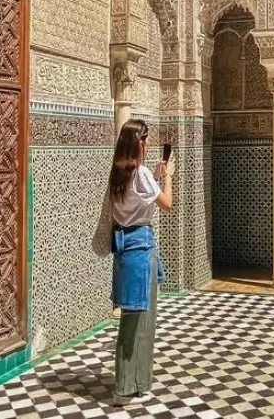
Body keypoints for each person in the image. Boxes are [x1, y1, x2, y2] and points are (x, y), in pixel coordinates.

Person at [108, 119, 174, 406]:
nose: (148, 146)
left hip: (126, 251)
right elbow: (167, 204)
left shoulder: (118, 174)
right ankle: (124, 388)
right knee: (138, 322)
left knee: (136, 319)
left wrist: (155, 178)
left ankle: (136, 382)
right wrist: (168, 175)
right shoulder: (141, 173)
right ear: (140, 143)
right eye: (146, 140)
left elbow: (136, 202)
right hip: (139, 250)